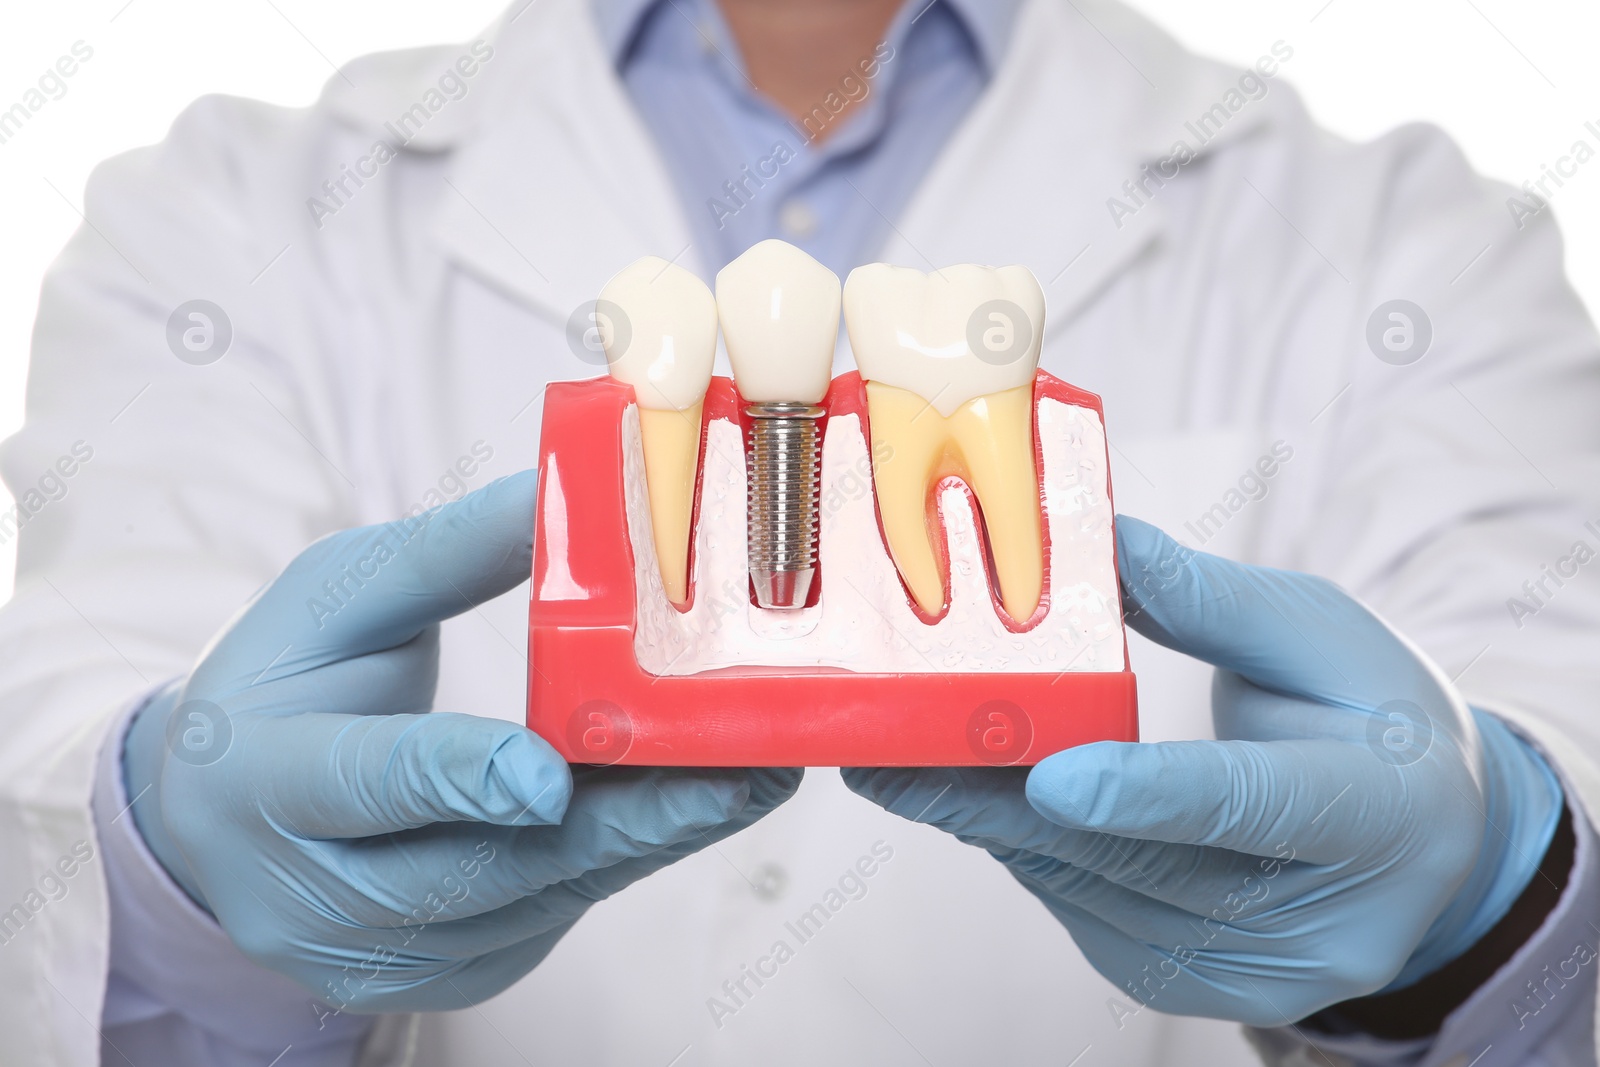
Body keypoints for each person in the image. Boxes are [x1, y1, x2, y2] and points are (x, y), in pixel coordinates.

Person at [2, 0, 1598, 1063]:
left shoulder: (1410, 236)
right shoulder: (224, 213)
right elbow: (66, 768)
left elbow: (1557, 698)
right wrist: (167, 869)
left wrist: (1495, 894)